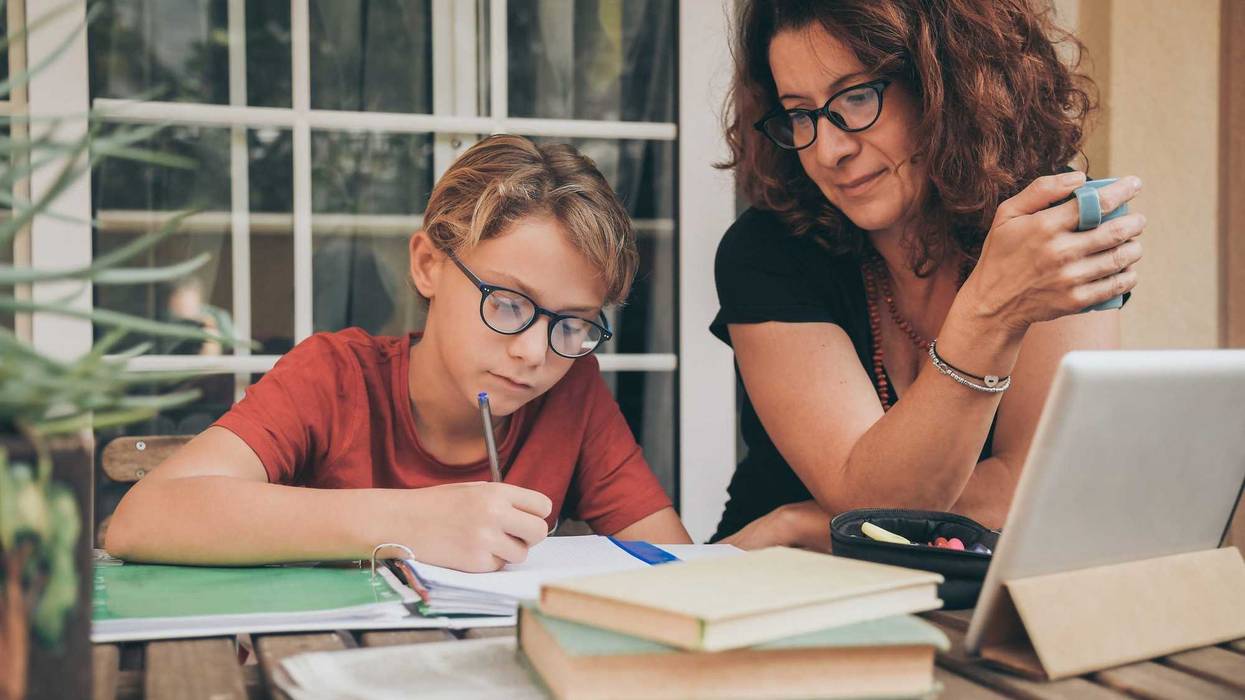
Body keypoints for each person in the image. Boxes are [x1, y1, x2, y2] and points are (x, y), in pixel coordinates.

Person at [105, 135, 692, 572]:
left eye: (574, 324)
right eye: (510, 304)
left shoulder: (572, 389)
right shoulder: (335, 377)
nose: (535, 352)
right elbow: (143, 518)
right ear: (428, 264)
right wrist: (411, 522)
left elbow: (672, 568)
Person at [710, 0, 1143, 549]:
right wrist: (992, 310)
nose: (829, 149)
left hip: (963, 591)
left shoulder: (1051, 225)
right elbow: (872, 499)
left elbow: (1037, 488)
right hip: (780, 587)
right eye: (800, 114)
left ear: (948, 85)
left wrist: (799, 524)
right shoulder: (767, 250)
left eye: (857, 97)